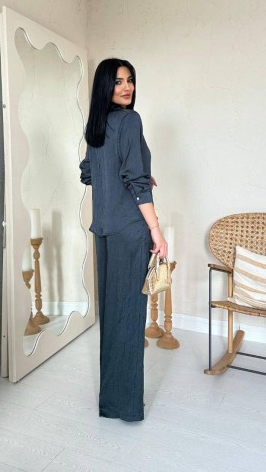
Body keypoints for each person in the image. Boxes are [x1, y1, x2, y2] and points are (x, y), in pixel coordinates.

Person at [79, 58, 168, 422]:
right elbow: (133, 179)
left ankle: (111, 402)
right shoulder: (130, 120)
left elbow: (89, 173)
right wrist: (156, 230)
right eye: (118, 81)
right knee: (129, 319)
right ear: (106, 86)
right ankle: (127, 406)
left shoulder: (97, 126)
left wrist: (137, 176)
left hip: (104, 230)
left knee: (112, 317)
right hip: (130, 232)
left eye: (130, 80)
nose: (127, 87)